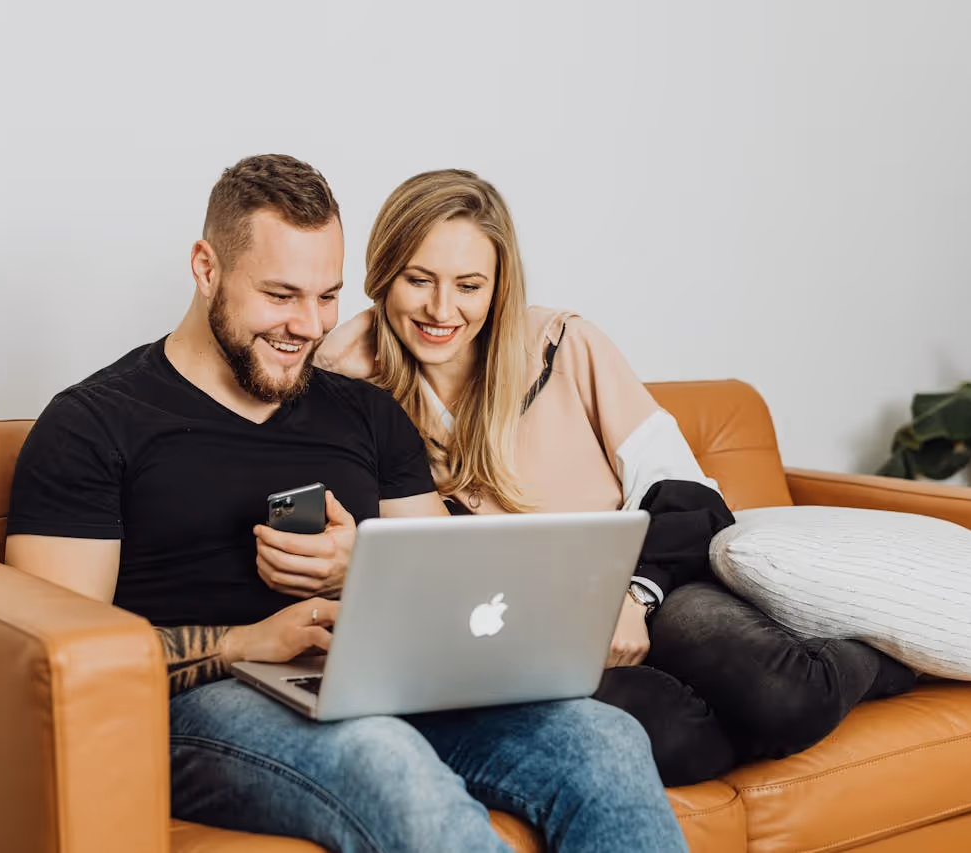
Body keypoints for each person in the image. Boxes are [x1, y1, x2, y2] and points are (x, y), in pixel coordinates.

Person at [4, 154, 689, 853]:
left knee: (603, 740)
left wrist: (359, 569)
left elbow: (448, 587)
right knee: (385, 759)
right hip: (200, 704)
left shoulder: (366, 412)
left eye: (327, 296)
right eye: (281, 295)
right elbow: (51, 656)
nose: (308, 326)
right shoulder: (94, 424)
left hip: (375, 682)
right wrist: (245, 642)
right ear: (207, 268)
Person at [316, 168, 917, 785]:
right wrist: (334, 354)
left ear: (498, 288)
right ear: (382, 276)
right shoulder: (352, 392)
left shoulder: (564, 345)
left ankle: (881, 661)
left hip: (653, 588)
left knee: (785, 699)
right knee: (677, 743)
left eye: (469, 285)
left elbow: (686, 494)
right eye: (418, 280)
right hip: (531, 637)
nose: (442, 310)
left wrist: (634, 598)